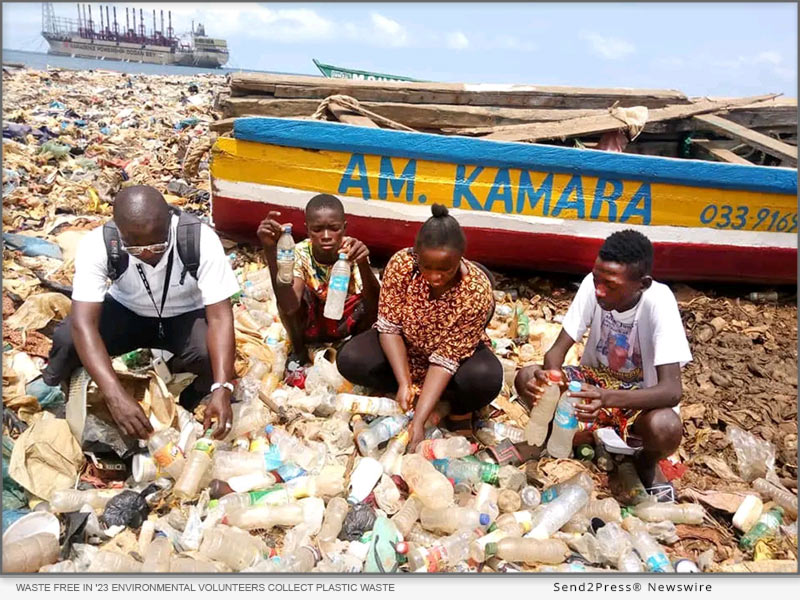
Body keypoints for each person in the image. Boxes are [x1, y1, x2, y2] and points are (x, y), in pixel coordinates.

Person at [42, 185, 239, 440]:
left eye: (158, 245)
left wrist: (222, 389)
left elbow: (221, 317)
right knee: (67, 338)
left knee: (211, 354)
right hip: (127, 311)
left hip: (184, 315)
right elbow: (84, 324)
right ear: (119, 231)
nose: (147, 254)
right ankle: (52, 394)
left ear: (169, 222)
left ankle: (193, 400)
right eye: (135, 248)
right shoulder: (99, 244)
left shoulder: (198, 239)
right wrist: (115, 395)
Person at [515, 229, 692, 487]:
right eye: (597, 279)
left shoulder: (659, 302)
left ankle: (645, 461)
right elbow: (556, 353)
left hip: (637, 397)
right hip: (594, 383)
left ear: (642, 284)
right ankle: (564, 437)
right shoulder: (594, 284)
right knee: (527, 376)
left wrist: (608, 398)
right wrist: (549, 381)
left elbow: (671, 391)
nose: (599, 290)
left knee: (665, 426)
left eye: (610, 285)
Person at [337, 204, 503, 450]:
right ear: (416, 255)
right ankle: (413, 394)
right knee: (351, 358)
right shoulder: (402, 265)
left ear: (460, 258)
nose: (435, 277)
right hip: (406, 349)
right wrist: (404, 381)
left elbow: (446, 360)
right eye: (427, 267)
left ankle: (450, 407)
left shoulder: (477, 291)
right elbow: (389, 327)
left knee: (485, 378)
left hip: (453, 364)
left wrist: (418, 423)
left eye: (445, 270)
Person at [257, 194, 380, 362]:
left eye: (334, 228)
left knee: (368, 302)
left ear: (344, 228)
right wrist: (271, 251)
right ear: (307, 229)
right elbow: (289, 305)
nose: (326, 235)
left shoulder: (351, 250)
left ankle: (352, 349)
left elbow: (376, 303)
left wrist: (363, 263)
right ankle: (299, 351)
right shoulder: (300, 252)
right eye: (317, 229)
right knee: (287, 293)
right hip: (311, 324)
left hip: (342, 322)